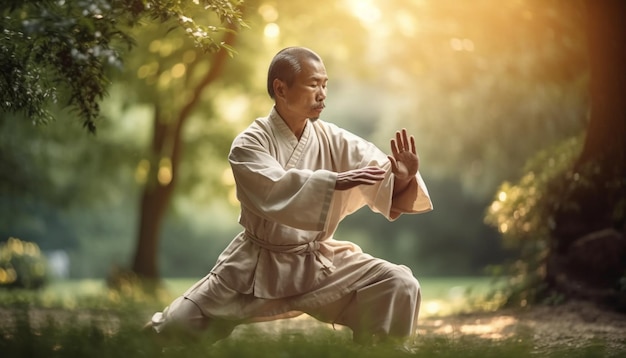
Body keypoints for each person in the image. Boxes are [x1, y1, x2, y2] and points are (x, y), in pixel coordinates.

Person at [144, 46, 433, 349]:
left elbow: (377, 170)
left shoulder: (332, 138)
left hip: (318, 263)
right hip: (255, 266)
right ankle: (140, 340)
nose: (322, 94)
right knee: (176, 326)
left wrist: (401, 176)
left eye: (325, 84)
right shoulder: (249, 143)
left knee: (399, 283)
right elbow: (275, 188)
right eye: (313, 84)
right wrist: (334, 181)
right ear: (280, 89)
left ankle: (383, 352)